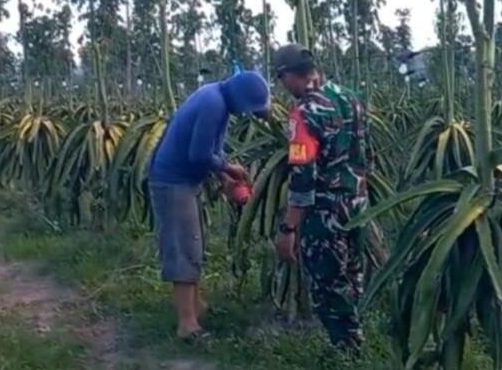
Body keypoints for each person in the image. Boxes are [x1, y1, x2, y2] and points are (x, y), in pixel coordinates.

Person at [149, 70, 270, 341]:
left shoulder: (216, 97)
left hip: (180, 179)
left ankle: (196, 307)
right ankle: (187, 325)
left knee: (193, 243)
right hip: (173, 181)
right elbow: (200, 154)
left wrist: (224, 176)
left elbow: (211, 149)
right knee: (183, 248)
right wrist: (229, 168)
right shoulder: (213, 103)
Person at [272, 44, 371, 352]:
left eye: (281, 78)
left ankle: (348, 352)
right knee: (353, 275)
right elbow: (367, 152)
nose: (283, 86)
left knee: (329, 285)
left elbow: (303, 178)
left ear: (289, 75)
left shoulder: (303, 114)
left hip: (325, 213)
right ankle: (357, 338)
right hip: (357, 203)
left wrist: (288, 229)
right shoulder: (350, 97)